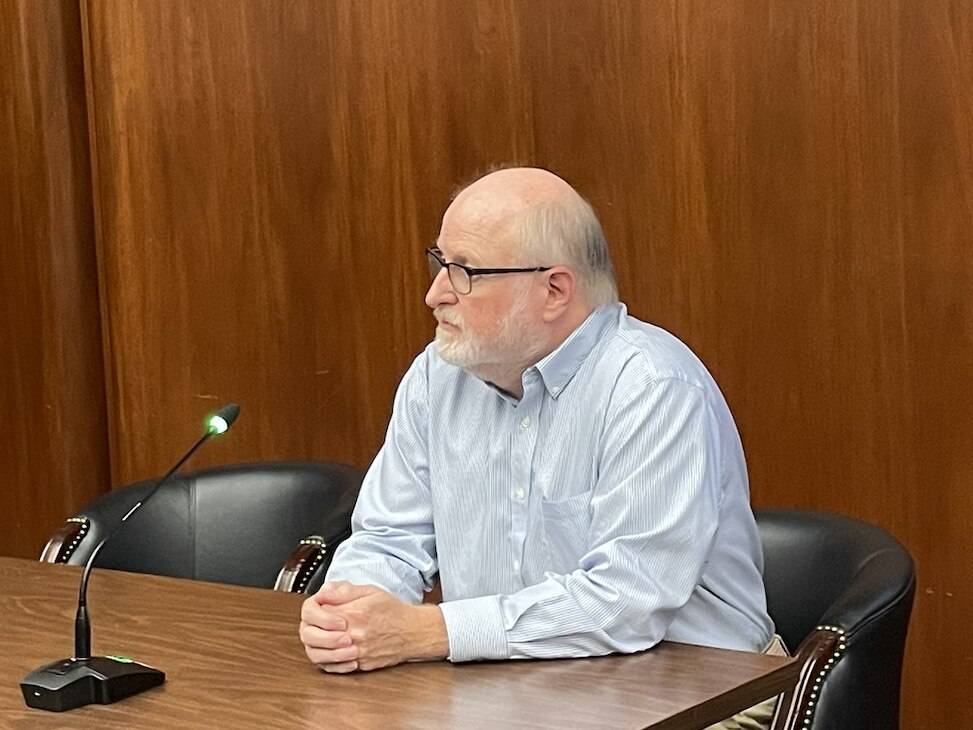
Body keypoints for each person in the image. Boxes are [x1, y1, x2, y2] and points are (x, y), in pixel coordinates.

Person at [300, 167, 782, 729]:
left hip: (698, 699)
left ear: (554, 289)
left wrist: (428, 631)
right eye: (439, 263)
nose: (435, 294)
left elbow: (626, 601)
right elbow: (389, 537)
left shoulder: (653, 387)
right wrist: (351, 614)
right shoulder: (437, 377)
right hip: (513, 687)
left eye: (465, 272)